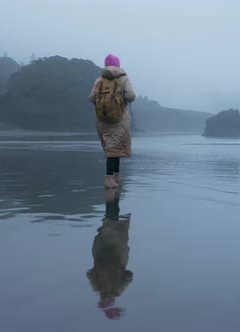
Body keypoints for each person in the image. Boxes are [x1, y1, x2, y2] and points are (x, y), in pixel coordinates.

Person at [89, 54, 136, 189]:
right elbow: (130, 96)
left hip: (102, 119)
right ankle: (109, 178)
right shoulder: (123, 78)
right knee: (115, 148)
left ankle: (116, 175)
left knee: (112, 147)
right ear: (118, 65)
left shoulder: (99, 79)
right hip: (120, 118)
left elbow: (92, 98)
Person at [86, 190, 133, 320]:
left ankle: (113, 195)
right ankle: (113, 196)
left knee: (115, 225)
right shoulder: (97, 286)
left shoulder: (117, 289)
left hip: (116, 254)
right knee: (109, 223)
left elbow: (129, 276)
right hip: (102, 252)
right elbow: (88, 273)